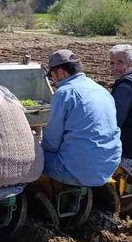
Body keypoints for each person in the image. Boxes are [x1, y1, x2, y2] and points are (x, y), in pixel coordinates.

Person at [41, 50, 121, 187]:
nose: (52, 81)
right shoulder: (100, 89)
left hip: (77, 171)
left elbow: (51, 142)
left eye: (52, 76)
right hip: (108, 166)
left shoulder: (64, 93)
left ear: (60, 72)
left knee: (34, 157)